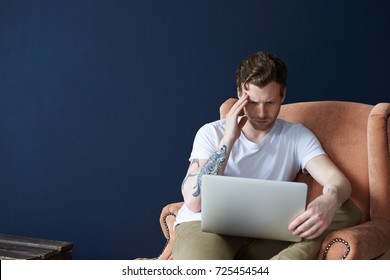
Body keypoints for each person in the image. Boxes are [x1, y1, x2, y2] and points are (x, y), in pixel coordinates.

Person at [172, 51, 361, 260]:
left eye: (270, 103)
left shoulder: (296, 135)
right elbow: (194, 202)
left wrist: (330, 200)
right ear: (239, 95)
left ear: (283, 95)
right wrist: (228, 139)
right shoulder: (211, 133)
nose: (261, 113)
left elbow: (338, 181)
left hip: (267, 233)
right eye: (253, 103)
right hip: (205, 228)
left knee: (348, 211)